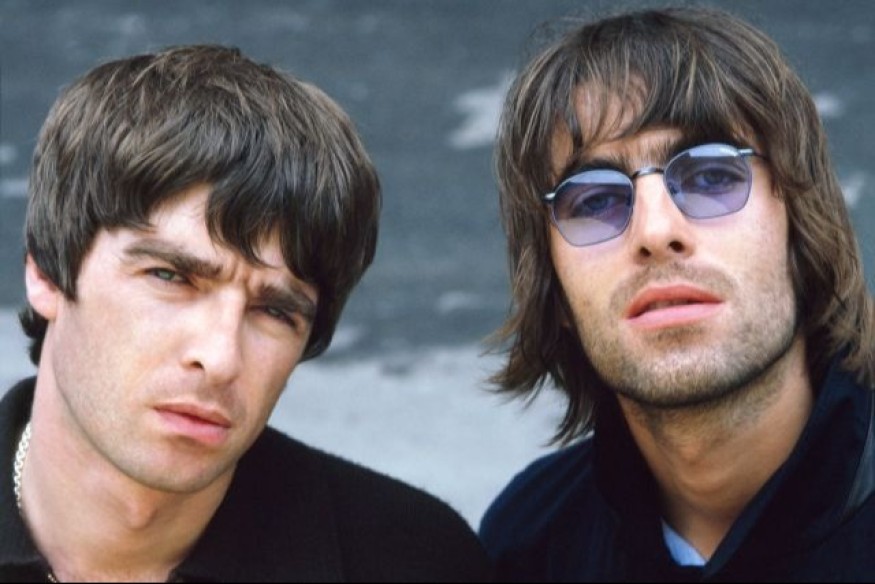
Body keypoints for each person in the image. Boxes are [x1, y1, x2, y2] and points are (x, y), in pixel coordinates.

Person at [0, 44, 490, 582]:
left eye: (275, 311)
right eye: (170, 277)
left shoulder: (413, 561)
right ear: (46, 272)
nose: (220, 358)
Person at [479, 6, 875, 581]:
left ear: (802, 230)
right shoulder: (527, 545)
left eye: (713, 176)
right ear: (554, 289)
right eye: (594, 200)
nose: (656, 231)